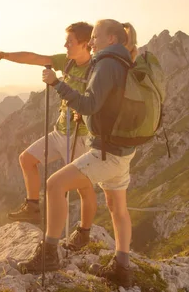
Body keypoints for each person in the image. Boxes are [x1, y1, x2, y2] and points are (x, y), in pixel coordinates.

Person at [18, 19, 139, 288]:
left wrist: (57, 85)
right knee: (117, 208)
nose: (92, 41)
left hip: (106, 150)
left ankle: (49, 253)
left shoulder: (107, 64)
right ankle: (122, 268)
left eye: (96, 36)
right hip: (122, 149)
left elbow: (89, 105)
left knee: (55, 184)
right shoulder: (124, 61)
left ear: (111, 39)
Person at [0, 22, 97, 251]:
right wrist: (4, 55)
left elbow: (95, 102)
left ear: (85, 44)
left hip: (80, 136)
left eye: (70, 41)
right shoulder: (65, 61)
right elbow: (34, 57)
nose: (65, 45)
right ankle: (33, 207)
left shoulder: (96, 70)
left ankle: (84, 232)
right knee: (26, 159)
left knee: (83, 188)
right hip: (60, 131)